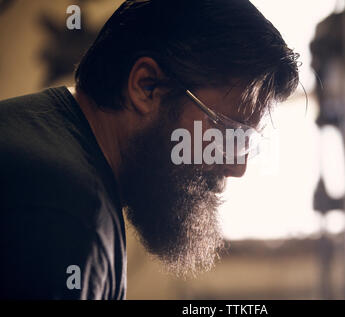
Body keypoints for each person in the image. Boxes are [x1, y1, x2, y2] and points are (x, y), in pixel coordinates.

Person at [0, 0, 299, 299]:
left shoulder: (42, 130)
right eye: (231, 133)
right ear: (147, 87)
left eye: (247, 142)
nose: (239, 167)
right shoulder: (69, 214)